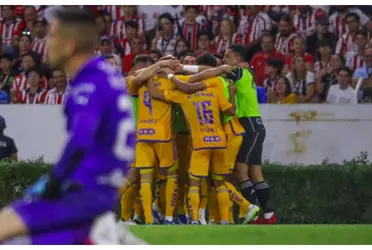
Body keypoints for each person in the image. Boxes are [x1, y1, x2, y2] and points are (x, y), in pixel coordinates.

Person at [0, 8, 141, 245]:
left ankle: (97, 234)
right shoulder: (107, 76)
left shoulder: (88, 85)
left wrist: (54, 183)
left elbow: (81, 139)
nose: (46, 42)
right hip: (101, 191)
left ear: (70, 45)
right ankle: (94, 234)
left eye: (53, 36)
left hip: (81, 190)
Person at [223, 44, 277, 224]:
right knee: (254, 171)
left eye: (227, 57)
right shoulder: (244, 73)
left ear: (237, 59)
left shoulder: (239, 71)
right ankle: (268, 216)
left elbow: (215, 72)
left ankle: (252, 213)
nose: (224, 61)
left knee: (241, 170)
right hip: (253, 124)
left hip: (250, 124)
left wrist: (187, 68)